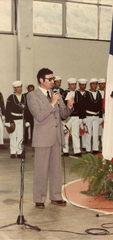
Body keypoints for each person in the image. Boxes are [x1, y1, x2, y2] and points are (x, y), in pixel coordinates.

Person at [27, 68, 74, 209]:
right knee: (41, 169)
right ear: (41, 80)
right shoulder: (32, 96)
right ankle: (39, 198)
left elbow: (63, 115)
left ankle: (56, 196)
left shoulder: (56, 94)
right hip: (42, 137)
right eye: (50, 79)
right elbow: (39, 116)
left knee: (56, 169)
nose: (53, 82)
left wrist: (69, 106)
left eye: (53, 79)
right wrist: (52, 103)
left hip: (56, 136)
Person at [5, 81, 30, 158]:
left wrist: (27, 120)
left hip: (21, 119)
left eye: (21, 87)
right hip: (13, 119)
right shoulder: (11, 97)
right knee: (13, 135)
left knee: (20, 136)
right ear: (14, 88)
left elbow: (27, 110)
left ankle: (19, 152)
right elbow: (7, 110)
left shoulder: (24, 97)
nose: (20, 89)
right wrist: (7, 121)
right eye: (18, 87)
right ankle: (13, 152)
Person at [62, 78, 85, 157]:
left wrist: (81, 117)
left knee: (75, 133)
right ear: (68, 85)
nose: (73, 86)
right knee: (65, 133)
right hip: (67, 117)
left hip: (76, 116)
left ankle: (77, 150)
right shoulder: (65, 93)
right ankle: (65, 150)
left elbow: (81, 105)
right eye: (72, 84)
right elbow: (63, 105)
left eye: (75, 84)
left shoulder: (78, 93)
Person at [84, 78, 102, 154]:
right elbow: (83, 106)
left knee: (96, 132)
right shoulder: (86, 94)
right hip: (88, 116)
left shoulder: (98, 93)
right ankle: (88, 149)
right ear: (90, 85)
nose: (95, 85)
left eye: (96, 84)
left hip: (96, 116)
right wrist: (84, 117)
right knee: (88, 133)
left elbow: (101, 105)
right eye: (93, 84)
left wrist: (100, 116)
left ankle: (95, 148)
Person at [78, 78, 89, 151]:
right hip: (78, 114)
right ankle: (78, 146)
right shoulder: (76, 93)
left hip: (85, 114)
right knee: (77, 131)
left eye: (85, 84)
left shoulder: (88, 93)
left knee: (85, 130)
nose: (83, 86)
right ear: (79, 85)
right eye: (82, 84)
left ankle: (84, 145)